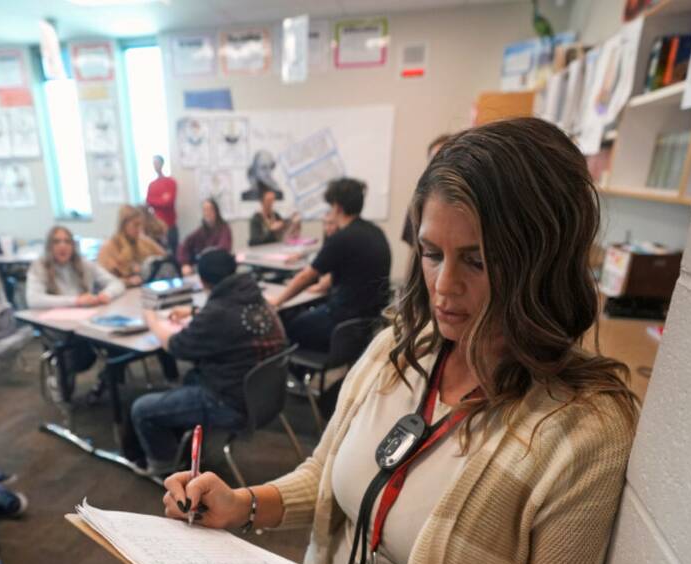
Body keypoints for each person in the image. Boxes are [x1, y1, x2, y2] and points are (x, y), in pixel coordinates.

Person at [159, 119, 639, 564]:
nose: (443, 287)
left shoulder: (584, 427)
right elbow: (328, 475)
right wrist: (241, 501)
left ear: (540, 262)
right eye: (432, 252)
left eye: (477, 259)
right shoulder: (399, 347)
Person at [130, 249, 285, 475]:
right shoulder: (254, 296)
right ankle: (185, 441)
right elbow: (228, 315)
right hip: (266, 397)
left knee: (141, 409)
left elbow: (175, 346)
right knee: (191, 378)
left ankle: (164, 466)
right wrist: (195, 311)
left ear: (202, 281)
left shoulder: (217, 314)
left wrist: (151, 319)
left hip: (231, 403)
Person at [272, 178, 391, 351]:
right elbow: (355, 271)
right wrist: (322, 286)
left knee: (286, 326)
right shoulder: (375, 231)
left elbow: (307, 276)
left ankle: (295, 372)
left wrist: (278, 300)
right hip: (366, 322)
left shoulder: (342, 238)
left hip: (341, 321)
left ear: (337, 207)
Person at [25, 225, 123, 310]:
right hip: (55, 325)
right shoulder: (39, 267)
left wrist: (107, 294)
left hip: (86, 317)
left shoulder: (85, 264)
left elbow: (116, 283)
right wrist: (76, 301)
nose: (63, 246)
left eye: (67, 242)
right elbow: (34, 300)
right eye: (56, 242)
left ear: (73, 246)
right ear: (49, 246)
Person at [401, 133, 454, 245]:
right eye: (434, 160)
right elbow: (413, 252)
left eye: (444, 157)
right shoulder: (419, 201)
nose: (440, 165)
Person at [97, 205, 167, 287]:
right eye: (136, 225)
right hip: (122, 293)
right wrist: (127, 281)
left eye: (141, 225)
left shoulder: (143, 241)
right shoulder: (109, 247)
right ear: (124, 225)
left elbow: (164, 257)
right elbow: (102, 280)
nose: (140, 229)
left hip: (145, 288)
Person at [177, 198, 232, 271]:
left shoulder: (224, 229)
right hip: (202, 266)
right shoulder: (201, 230)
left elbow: (222, 249)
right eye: (205, 210)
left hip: (218, 267)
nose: (207, 213)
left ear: (216, 211)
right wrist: (185, 264)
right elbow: (184, 245)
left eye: (210, 210)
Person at [145, 155, 179, 256]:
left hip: (170, 226)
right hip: (156, 228)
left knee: (173, 254)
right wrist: (161, 199)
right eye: (154, 164)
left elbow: (169, 202)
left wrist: (155, 201)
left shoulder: (171, 182)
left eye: (157, 163)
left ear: (162, 164)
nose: (155, 166)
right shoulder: (152, 185)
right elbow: (148, 201)